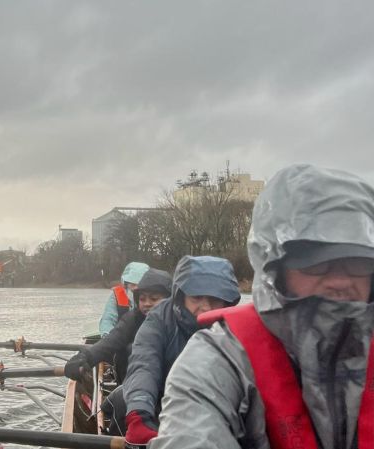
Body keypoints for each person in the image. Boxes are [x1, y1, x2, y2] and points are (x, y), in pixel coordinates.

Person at [152, 164, 374, 449]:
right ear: (276, 270)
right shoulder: (217, 360)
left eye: (358, 261)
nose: (341, 280)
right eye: (316, 261)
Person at [123, 255, 240, 445]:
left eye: (215, 299)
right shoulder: (158, 319)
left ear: (228, 301)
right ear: (180, 295)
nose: (206, 308)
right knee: (120, 401)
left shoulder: (238, 326)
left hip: (218, 411)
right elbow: (144, 364)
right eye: (197, 298)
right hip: (161, 409)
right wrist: (139, 411)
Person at [64, 268, 172, 384]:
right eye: (142, 299)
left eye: (154, 299)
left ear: (171, 300)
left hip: (174, 385)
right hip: (136, 385)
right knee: (128, 350)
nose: (146, 303)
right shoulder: (133, 318)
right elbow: (109, 343)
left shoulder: (182, 321)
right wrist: (85, 357)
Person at [99, 262, 150, 336]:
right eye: (133, 285)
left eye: (139, 285)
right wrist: (107, 335)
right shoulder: (116, 295)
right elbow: (108, 319)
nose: (136, 288)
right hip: (121, 336)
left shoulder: (154, 298)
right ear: (126, 284)